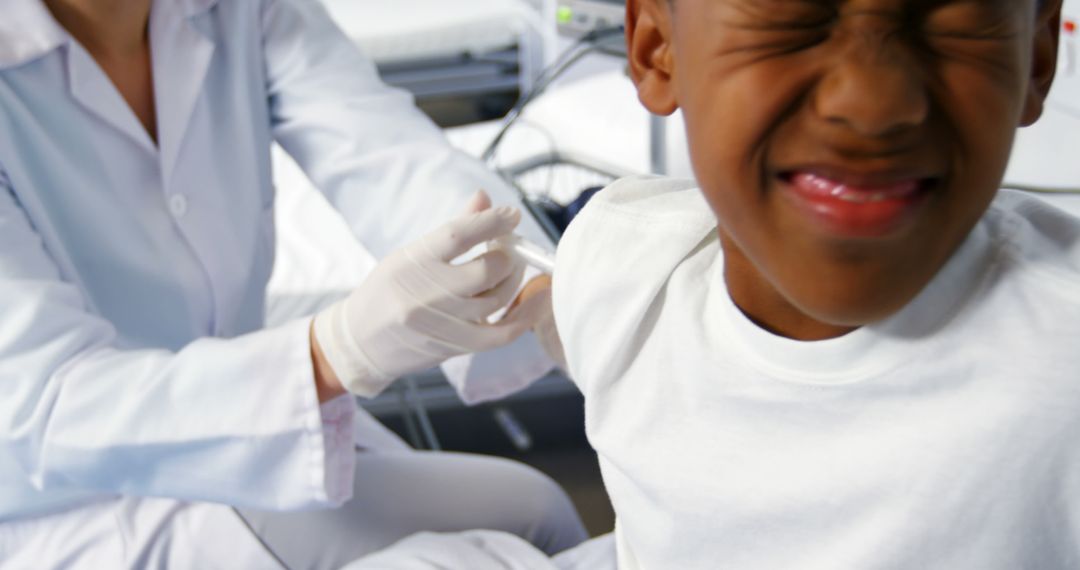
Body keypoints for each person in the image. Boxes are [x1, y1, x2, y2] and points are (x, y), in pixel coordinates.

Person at [0, 0, 587, 567]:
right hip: (69, 504)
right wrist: (330, 353)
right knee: (529, 519)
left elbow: (385, 155)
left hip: (240, 437)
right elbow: (47, 407)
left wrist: (545, 288)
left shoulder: (242, 9)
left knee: (532, 516)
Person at [551, 0, 1080, 568]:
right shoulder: (623, 264)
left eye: (959, 22)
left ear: (1036, 54)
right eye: (787, 17)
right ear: (657, 49)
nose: (871, 104)